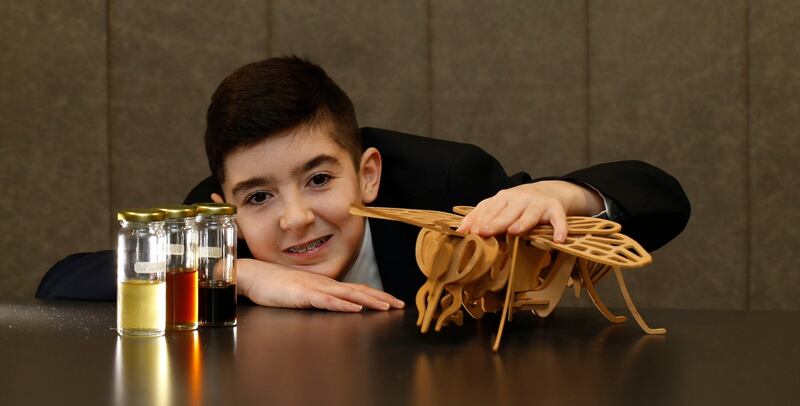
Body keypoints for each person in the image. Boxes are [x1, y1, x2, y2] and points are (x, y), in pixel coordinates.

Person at [37, 56, 691, 312]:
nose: (294, 218)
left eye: (318, 179)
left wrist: (560, 195)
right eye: (259, 196)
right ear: (225, 208)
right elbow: (60, 282)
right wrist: (236, 273)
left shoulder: (447, 181)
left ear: (368, 173)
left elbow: (662, 197)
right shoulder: (214, 239)